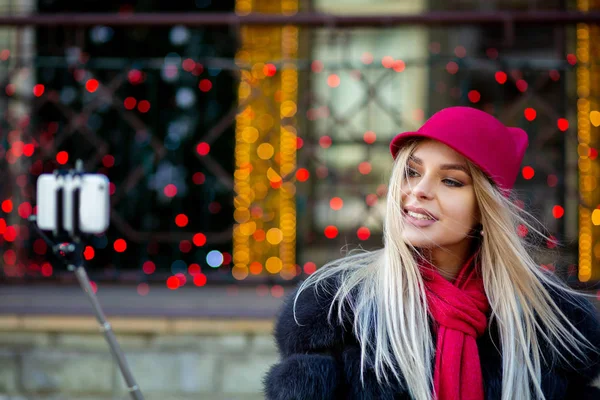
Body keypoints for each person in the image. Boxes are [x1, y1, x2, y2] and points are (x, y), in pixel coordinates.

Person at [263, 106, 600, 400]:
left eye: (451, 181)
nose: (419, 191)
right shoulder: (336, 311)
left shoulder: (551, 325)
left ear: (486, 208)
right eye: (412, 171)